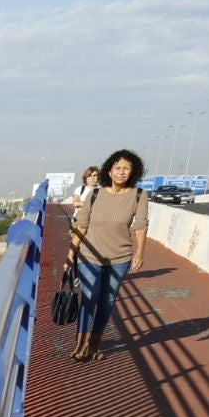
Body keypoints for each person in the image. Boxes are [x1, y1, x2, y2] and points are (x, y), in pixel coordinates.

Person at [66, 149, 148, 361]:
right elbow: (81, 226)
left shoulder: (138, 195)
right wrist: (70, 255)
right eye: (117, 168)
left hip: (120, 257)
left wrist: (139, 252)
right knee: (90, 297)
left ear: (133, 172)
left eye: (126, 169)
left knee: (107, 301)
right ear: (109, 171)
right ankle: (80, 346)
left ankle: (94, 345)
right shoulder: (95, 194)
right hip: (89, 256)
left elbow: (140, 226)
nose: (121, 172)